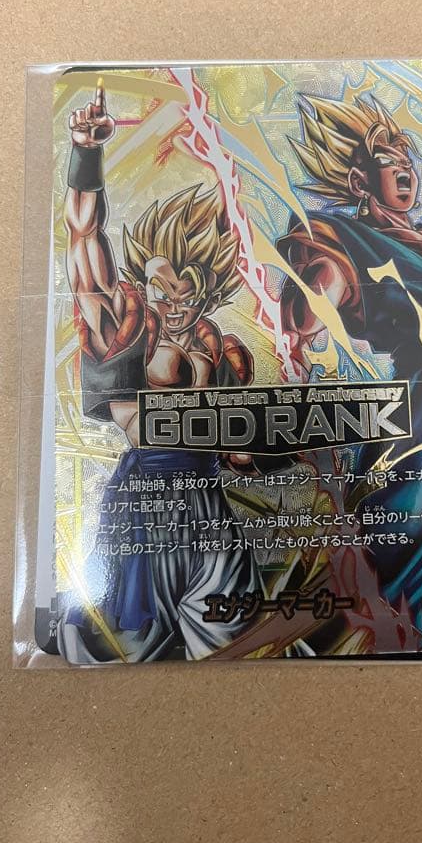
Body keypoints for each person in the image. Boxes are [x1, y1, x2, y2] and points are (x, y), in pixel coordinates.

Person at [278, 93, 422, 652]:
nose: (404, 171)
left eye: (407, 161)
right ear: (359, 182)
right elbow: (320, 290)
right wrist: (318, 296)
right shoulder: (348, 238)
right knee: (409, 521)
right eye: (388, 162)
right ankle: (336, 635)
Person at [58, 81, 259, 662]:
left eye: (184, 291)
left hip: (209, 503)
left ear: (208, 289)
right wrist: (86, 155)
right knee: (138, 647)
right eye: (159, 287)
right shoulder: (129, 329)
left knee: (231, 641)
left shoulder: (222, 352)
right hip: (147, 502)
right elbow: (84, 244)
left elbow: (241, 451)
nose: (170, 302)